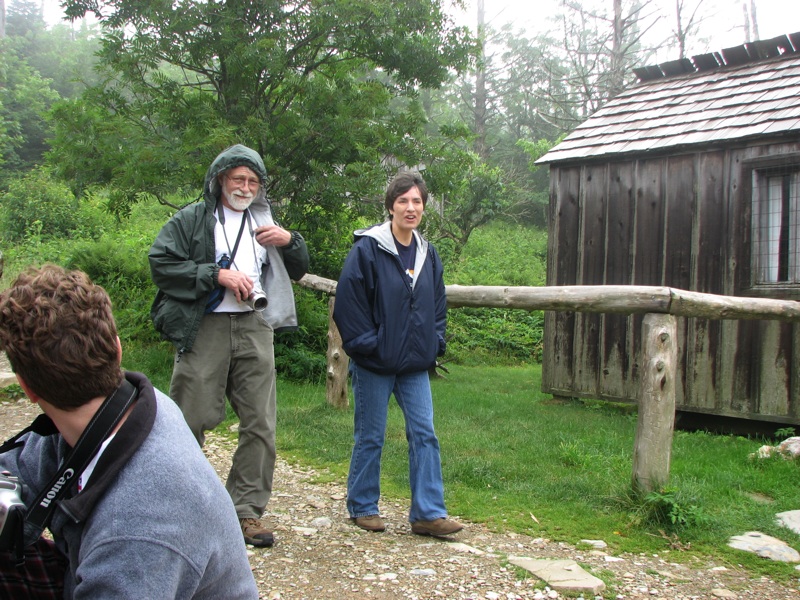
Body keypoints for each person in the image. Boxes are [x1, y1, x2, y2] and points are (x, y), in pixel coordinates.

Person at [0, 264, 259, 599]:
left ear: (27, 389)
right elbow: (18, 465)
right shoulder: (130, 405)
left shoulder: (137, 532)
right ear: (117, 348)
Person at [148, 144, 309, 548]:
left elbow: (300, 268)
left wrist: (290, 241)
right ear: (220, 178)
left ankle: (246, 512)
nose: (245, 187)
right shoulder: (192, 218)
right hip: (205, 326)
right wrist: (217, 276)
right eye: (238, 178)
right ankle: (181, 507)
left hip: (255, 323)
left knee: (260, 421)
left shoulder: (265, 220)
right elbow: (161, 264)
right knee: (190, 417)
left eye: (253, 181)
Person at [332, 170, 464, 537]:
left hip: (414, 364)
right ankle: (362, 505)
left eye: (417, 201)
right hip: (375, 362)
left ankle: (427, 513)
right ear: (390, 206)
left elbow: (437, 304)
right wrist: (370, 347)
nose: (410, 208)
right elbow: (350, 306)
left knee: (424, 433)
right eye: (403, 201)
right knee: (371, 435)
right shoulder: (367, 250)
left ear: (423, 208)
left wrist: (434, 344)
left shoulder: (427, 252)